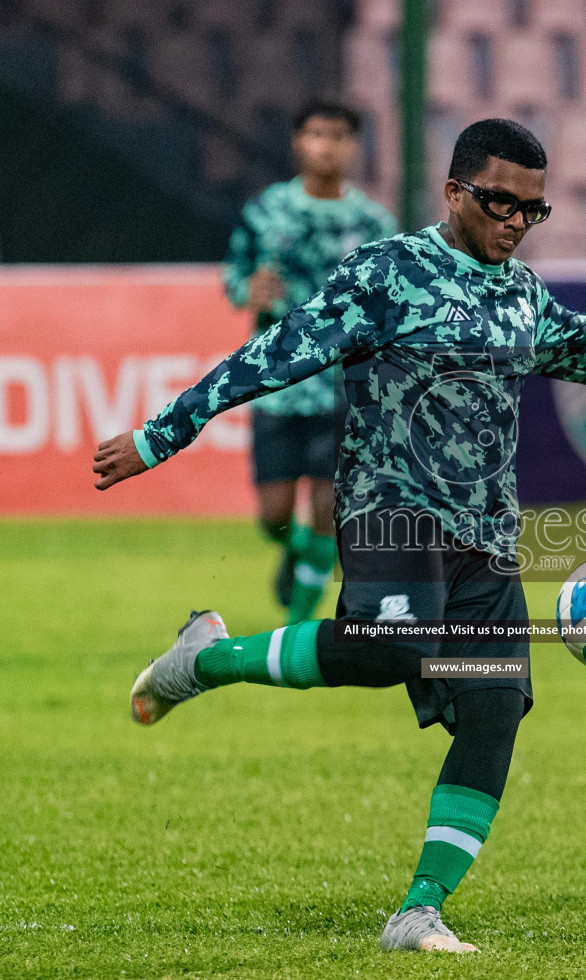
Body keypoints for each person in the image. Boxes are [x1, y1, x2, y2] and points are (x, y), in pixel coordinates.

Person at [92, 119, 586, 951]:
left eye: (531, 210)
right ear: (455, 192)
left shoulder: (521, 294)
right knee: (391, 648)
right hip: (391, 511)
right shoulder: (387, 274)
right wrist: (161, 435)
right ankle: (205, 659)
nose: (514, 221)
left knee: (494, 706)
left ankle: (419, 910)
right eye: (500, 201)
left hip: (487, 535)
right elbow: (272, 354)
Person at [225, 101, 397, 623]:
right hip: (276, 381)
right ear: (298, 141)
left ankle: (297, 626)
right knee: (272, 517)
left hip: (343, 387)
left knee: (329, 510)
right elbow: (235, 277)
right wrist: (248, 290)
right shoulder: (266, 211)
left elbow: (391, 297)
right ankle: (294, 553)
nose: (327, 145)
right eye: (316, 133)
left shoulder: (373, 222)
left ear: (353, 146)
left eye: (339, 136)